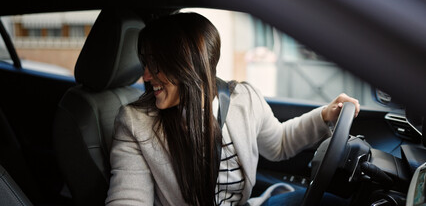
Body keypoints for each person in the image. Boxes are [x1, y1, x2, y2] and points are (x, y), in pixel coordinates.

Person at [105, 12, 360, 206]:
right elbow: (128, 198)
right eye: (145, 65)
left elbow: (280, 143)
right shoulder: (135, 123)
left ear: (187, 66)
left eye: (154, 65)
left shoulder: (244, 99)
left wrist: (325, 115)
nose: (146, 76)